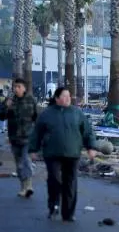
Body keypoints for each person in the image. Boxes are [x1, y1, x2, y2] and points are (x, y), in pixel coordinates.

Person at [29, 86, 97, 221]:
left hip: (72, 153)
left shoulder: (77, 113)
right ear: (57, 98)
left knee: (70, 182)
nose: (67, 99)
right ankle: (53, 206)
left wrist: (91, 147)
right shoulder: (47, 114)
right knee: (54, 179)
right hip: (52, 153)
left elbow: (88, 131)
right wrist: (33, 149)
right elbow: (36, 133)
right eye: (64, 96)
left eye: (69, 96)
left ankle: (68, 213)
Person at [0, 78, 39, 198]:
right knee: (19, 165)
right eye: (15, 87)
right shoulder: (10, 101)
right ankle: (23, 186)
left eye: (19, 87)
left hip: (28, 137)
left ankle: (29, 186)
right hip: (14, 137)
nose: (16, 89)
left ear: (24, 88)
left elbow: (37, 118)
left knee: (26, 160)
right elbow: (0, 116)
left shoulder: (31, 100)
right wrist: (6, 107)